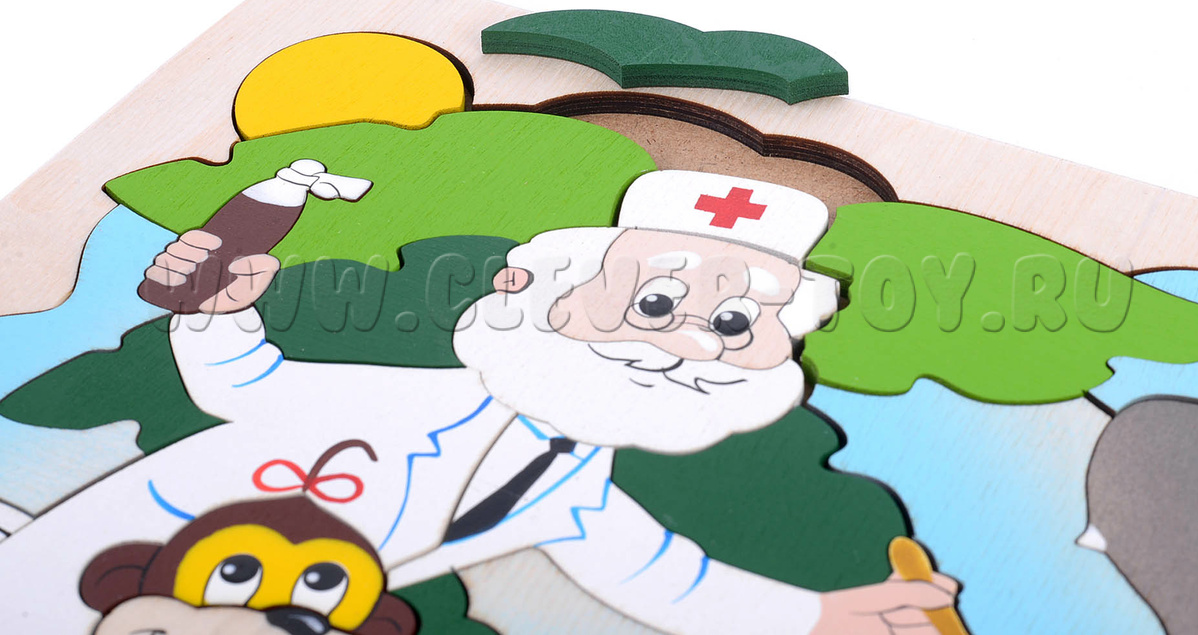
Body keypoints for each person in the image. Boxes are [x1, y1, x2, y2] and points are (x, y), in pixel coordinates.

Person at [0, 170, 957, 634]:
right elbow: (240, 381)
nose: (689, 342)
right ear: (538, 292)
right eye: (656, 301)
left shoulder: (570, 487)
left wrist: (827, 613)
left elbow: (665, 579)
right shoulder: (406, 400)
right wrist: (218, 309)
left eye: (738, 325)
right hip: (105, 563)